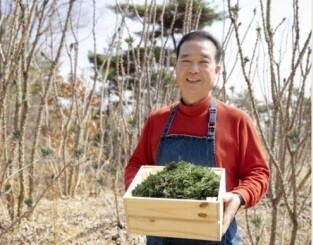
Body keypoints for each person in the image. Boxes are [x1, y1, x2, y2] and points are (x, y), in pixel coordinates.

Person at [124, 30, 270, 245]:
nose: (193, 69)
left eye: (203, 61)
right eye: (186, 61)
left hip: (217, 235)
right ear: (176, 67)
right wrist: (138, 194)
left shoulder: (237, 120)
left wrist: (238, 197)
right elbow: (136, 165)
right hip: (160, 234)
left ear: (217, 69)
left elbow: (258, 173)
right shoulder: (157, 119)